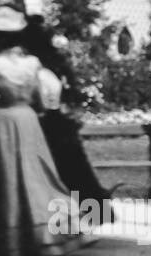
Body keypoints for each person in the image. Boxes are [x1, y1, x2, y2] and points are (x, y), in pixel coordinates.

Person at [0, 4, 84, 256]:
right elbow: (41, 99)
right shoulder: (32, 64)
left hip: (3, 122)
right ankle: (44, 232)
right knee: (36, 175)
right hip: (28, 122)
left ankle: (7, 238)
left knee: (2, 178)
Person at [21, 18, 115, 227]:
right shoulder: (56, 65)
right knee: (74, 170)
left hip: (43, 122)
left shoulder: (35, 68)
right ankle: (94, 212)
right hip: (59, 120)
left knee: (53, 172)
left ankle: (54, 219)